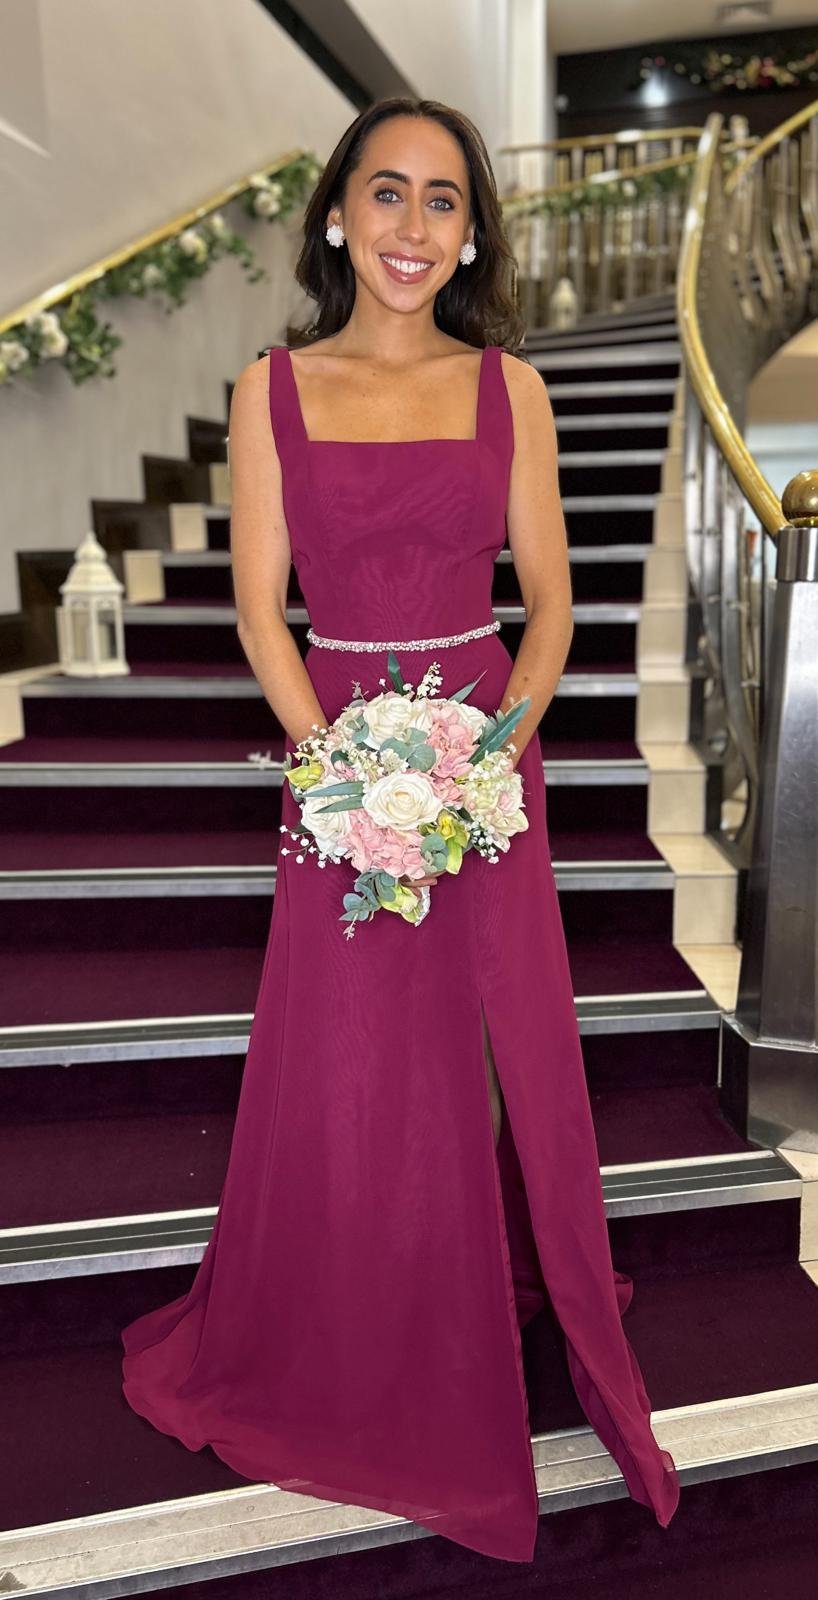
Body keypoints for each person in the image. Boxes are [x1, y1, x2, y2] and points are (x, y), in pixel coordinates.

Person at [121, 94, 680, 1563]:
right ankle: (360, 1316)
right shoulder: (271, 389)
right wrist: (337, 771)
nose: (413, 226)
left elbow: (551, 606)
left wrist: (491, 755)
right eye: (387, 192)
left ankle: (470, 1285)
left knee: (494, 1050)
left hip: (483, 754)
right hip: (341, 764)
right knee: (357, 1052)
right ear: (336, 213)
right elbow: (259, 608)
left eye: (444, 200)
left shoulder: (512, 391)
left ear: (472, 233)